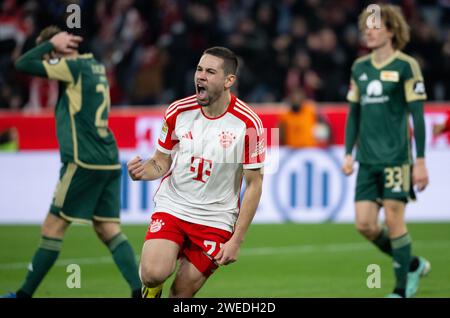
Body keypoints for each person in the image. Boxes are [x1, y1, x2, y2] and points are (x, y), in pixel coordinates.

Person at [3, 26, 141, 298]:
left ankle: (22, 296)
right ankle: (140, 292)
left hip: (82, 161)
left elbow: (22, 64)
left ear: (57, 51)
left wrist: (50, 45)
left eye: (48, 56)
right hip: (109, 159)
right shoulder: (95, 66)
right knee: (108, 229)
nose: (46, 65)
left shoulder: (71, 67)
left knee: (52, 227)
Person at [127, 46, 265, 298]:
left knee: (181, 294)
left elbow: (254, 184)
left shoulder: (249, 123)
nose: (200, 76)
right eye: (199, 69)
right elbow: (160, 161)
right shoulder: (177, 111)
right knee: (153, 273)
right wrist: (142, 171)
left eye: (210, 72)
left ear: (228, 80)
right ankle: (150, 290)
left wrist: (237, 240)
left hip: (216, 218)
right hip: (174, 206)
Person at [342, 5, 431, 298]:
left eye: (375, 25)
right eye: (366, 26)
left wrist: (420, 161)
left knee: (394, 221)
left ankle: (401, 290)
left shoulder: (406, 66)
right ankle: (413, 263)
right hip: (367, 161)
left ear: (391, 30)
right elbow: (353, 113)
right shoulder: (360, 68)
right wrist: (348, 153)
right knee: (365, 225)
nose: (368, 30)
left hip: (396, 159)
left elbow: (417, 116)